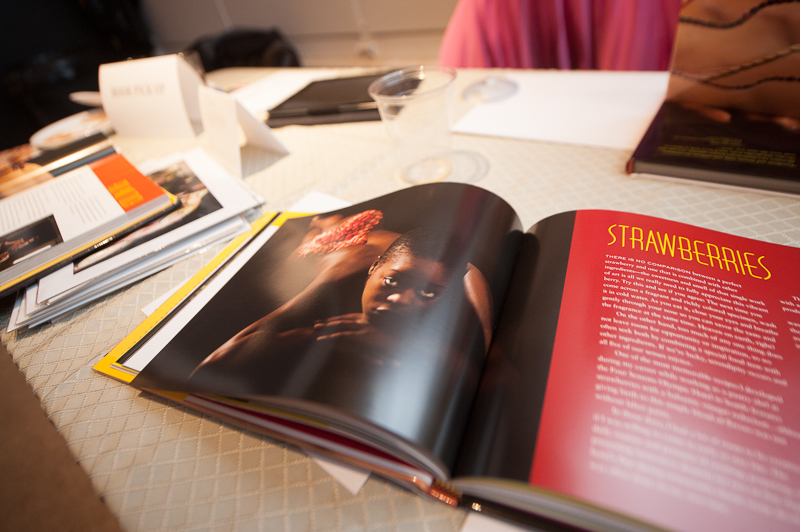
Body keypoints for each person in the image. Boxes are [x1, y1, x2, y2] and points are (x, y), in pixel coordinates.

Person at [189, 221, 494, 403]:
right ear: (374, 269)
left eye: (427, 293)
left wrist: (441, 352)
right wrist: (306, 336)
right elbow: (211, 366)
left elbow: (491, 367)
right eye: (391, 282)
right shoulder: (341, 271)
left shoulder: (458, 274)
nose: (400, 299)